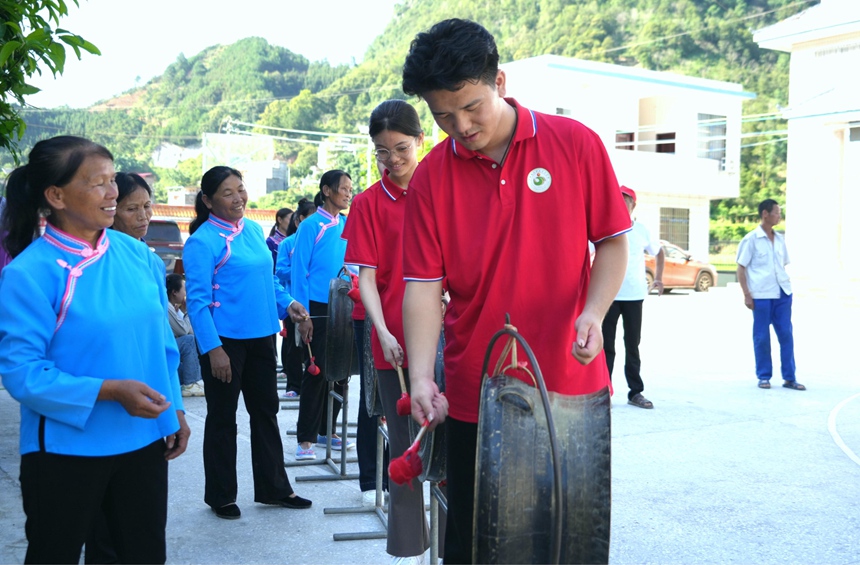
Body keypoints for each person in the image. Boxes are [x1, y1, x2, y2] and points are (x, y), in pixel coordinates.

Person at [399, 19, 631, 563]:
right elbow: (423, 288)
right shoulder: (432, 177)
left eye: (472, 106)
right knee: (480, 541)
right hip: (476, 390)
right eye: (443, 116)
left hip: (569, 387)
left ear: (499, 81)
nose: (460, 125)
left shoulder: (574, 144)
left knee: (568, 538)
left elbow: (613, 245)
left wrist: (594, 312)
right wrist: (421, 376)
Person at [0, 135, 190, 563]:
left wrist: (173, 406)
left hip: (144, 440)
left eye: (112, 180)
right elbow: (23, 373)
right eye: (97, 183)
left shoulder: (136, 255)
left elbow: (161, 344)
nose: (112, 193)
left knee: (141, 555)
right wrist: (109, 390)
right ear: (56, 195)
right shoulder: (31, 273)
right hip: (67, 451)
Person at [183, 165, 311, 520]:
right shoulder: (201, 241)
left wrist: (288, 304)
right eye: (228, 192)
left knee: (266, 411)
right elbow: (196, 301)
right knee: (223, 417)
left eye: (241, 189)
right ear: (208, 201)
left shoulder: (254, 231)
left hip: (261, 336)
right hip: (224, 342)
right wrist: (213, 350)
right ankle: (221, 495)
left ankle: (274, 487)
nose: (238, 197)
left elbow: (268, 281)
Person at [343, 99, 430, 563]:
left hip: (448, 337)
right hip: (393, 342)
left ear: (420, 140)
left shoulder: (442, 186)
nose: (392, 160)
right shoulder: (367, 203)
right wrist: (383, 332)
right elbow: (367, 280)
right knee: (406, 452)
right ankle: (410, 548)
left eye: (400, 148)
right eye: (381, 152)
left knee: (453, 445)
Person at [291, 170, 356, 460]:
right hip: (316, 307)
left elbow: (353, 265)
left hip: (344, 304)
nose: (348, 193)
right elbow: (299, 271)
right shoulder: (310, 225)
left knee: (342, 372)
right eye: (343, 188)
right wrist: (303, 317)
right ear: (327, 190)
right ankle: (305, 440)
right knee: (315, 373)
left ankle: (327, 430)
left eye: (350, 189)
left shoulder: (347, 224)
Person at [602, 185, 664, 410]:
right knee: (606, 346)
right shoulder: (604, 227)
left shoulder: (641, 230)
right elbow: (586, 252)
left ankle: (635, 392)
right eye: (616, 199)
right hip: (608, 295)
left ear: (633, 205)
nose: (620, 203)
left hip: (634, 296)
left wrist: (658, 278)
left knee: (632, 344)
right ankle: (604, 391)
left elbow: (659, 252)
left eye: (625, 200)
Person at [736, 199, 805, 391]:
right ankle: (764, 376)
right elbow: (741, 268)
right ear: (765, 214)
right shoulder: (751, 239)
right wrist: (747, 294)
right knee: (761, 336)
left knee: (786, 334)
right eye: (776, 212)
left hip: (782, 293)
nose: (779, 215)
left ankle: (790, 378)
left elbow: (782, 265)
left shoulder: (780, 239)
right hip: (761, 295)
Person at [275, 198, 316, 398]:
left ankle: (310, 386)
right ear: (300, 220)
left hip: (314, 300)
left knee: (310, 347)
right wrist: (300, 270)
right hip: (292, 300)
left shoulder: (320, 240)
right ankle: (293, 386)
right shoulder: (287, 243)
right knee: (292, 345)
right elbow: (280, 270)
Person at [166, 273, 205, 397]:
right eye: (184, 289)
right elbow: (185, 333)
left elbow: (190, 331)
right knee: (189, 341)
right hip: (163, 352)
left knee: (194, 367)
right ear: (174, 292)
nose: (185, 293)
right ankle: (190, 384)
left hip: (169, 355)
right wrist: (187, 311)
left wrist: (183, 312)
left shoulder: (174, 307)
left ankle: (194, 381)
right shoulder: (167, 307)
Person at [111, 172, 153, 242]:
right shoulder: (105, 250)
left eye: (146, 206)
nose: (143, 217)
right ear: (111, 210)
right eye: (132, 209)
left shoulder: (143, 250)